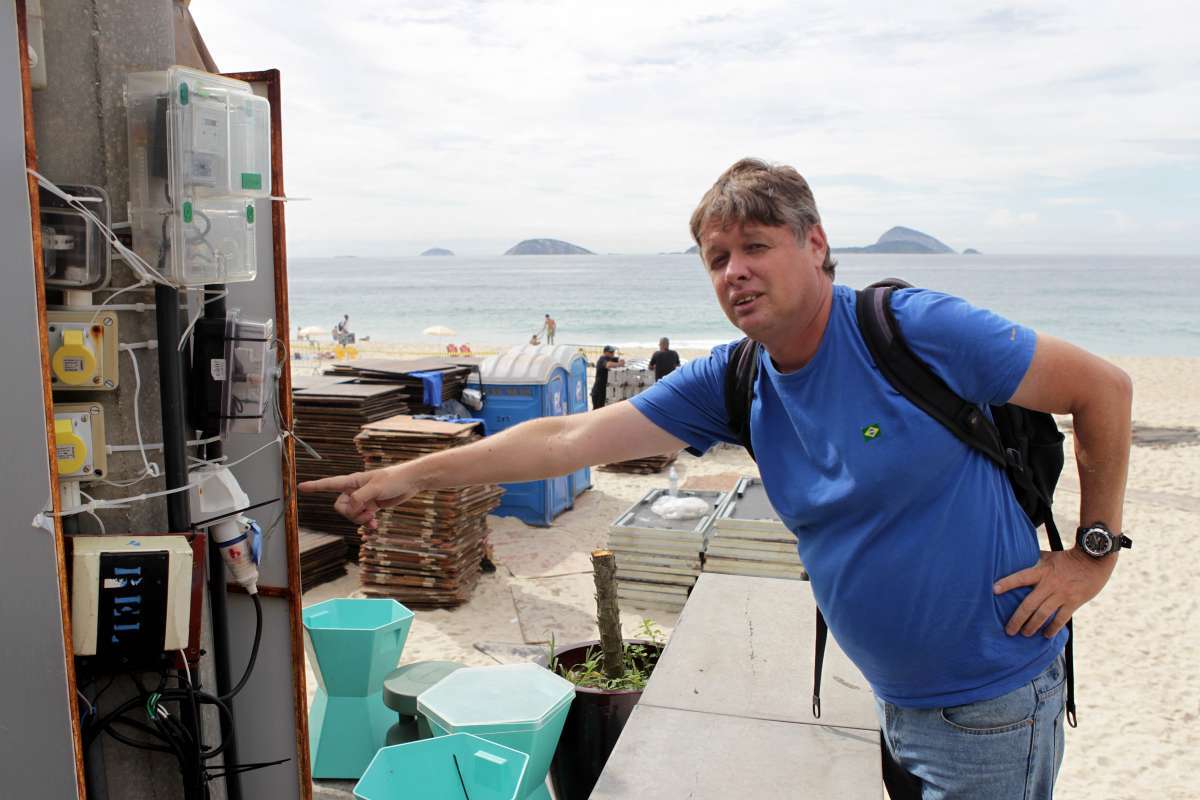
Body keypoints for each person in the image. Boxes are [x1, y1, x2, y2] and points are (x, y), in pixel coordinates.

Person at [299, 158, 1132, 799]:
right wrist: (412, 475)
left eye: (756, 247)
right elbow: (565, 438)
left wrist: (1092, 555)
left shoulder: (911, 330)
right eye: (716, 257)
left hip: (989, 701)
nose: (733, 270)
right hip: (890, 698)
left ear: (815, 245)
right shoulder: (738, 379)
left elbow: (1103, 389)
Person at [589, 345, 624, 409]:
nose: (612, 353)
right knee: (597, 410)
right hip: (598, 391)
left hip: (605, 390)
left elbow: (620, 359)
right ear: (605, 352)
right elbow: (608, 365)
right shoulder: (602, 359)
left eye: (613, 352)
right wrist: (619, 364)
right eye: (610, 352)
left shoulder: (610, 358)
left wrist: (621, 360)